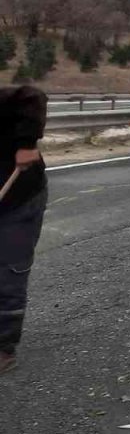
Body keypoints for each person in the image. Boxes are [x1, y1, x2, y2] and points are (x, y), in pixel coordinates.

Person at [0, 85, 48, 376]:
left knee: (9, 272)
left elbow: (33, 96)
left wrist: (27, 144)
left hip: (20, 198)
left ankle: (4, 349)